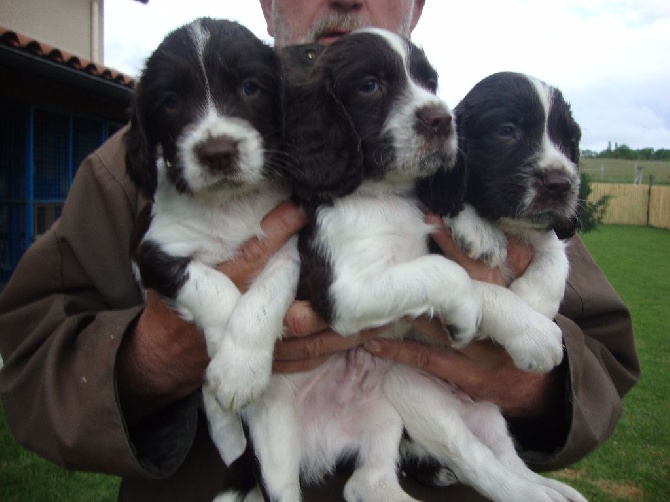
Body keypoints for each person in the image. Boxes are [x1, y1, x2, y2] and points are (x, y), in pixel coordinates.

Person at [0, 1, 639, 501]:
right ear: (267, 0)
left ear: (418, 4)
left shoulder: (473, 146)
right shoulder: (143, 160)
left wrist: (532, 388)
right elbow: (27, 364)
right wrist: (154, 356)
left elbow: (604, 357)